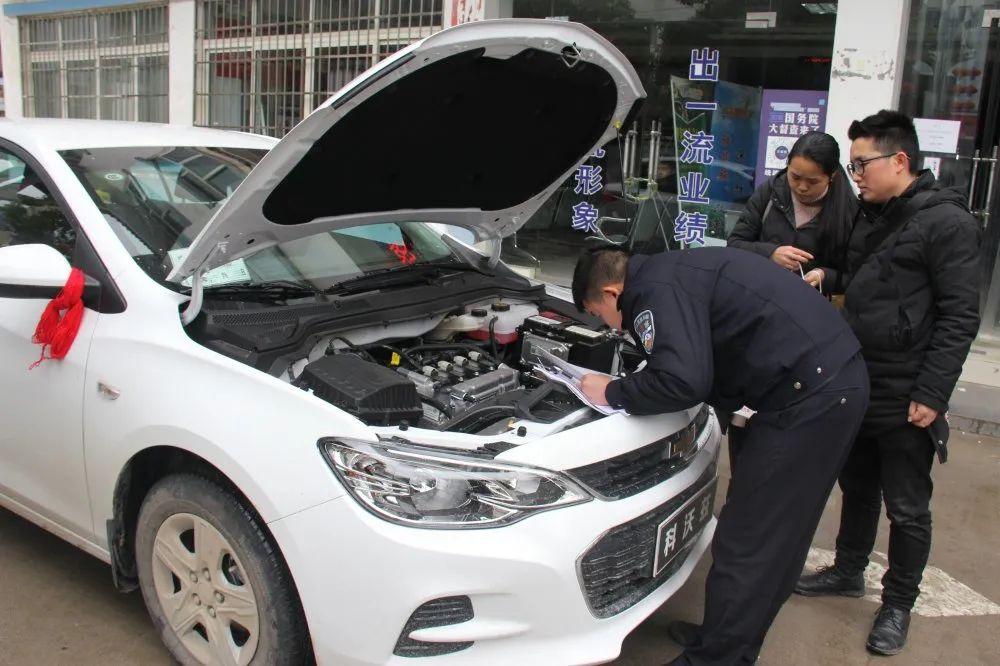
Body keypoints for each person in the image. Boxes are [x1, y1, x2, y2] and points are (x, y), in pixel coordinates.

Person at [573, 245, 869, 665]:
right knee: (772, 537)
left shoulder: (650, 294)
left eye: (598, 312)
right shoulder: (668, 270)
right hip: (824, 382)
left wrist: (613, 391)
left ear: (611, 291)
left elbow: (682, 380)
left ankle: (717, 657)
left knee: (750, 542)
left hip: (813, 396)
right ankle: (724, 638)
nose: (608, 325)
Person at [794, 110, 981, 655]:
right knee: (858, 486)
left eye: (861, 165)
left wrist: (932, 392)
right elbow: (873, 281)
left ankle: (898, 602)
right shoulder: (872, 215)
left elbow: (959, 315)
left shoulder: (947, 223)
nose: (855, 176)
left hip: (908, 391)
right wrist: (830, 276)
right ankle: (848, 570)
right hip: (862, 376)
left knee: (906, 505)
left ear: (899, 160)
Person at [728, 131, 857, 293]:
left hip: (809, 307)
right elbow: (735, 243)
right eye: (795, 177)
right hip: (760, 297)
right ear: (787, 166)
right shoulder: (770, 192)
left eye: (813, 181)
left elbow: (855, 275)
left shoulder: (849, 210)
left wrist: (823, 275)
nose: (802, 187)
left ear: (831, 176)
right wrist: (771, 253)